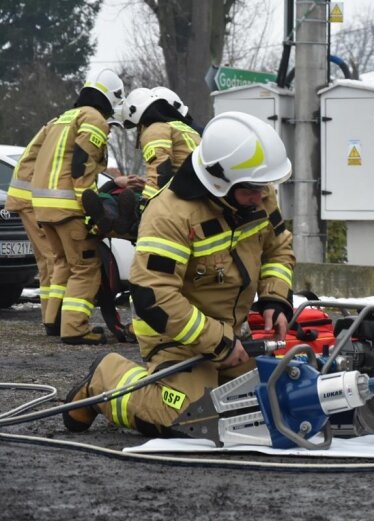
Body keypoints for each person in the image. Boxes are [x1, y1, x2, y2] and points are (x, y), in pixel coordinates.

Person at [62, 112, 295, 437]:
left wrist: (275, 298)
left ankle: (213, 369)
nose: (261, 196)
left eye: (263, 187)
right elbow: (156, 297)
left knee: (285, 393)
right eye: (251, 190)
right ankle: (105, 378)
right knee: (189, 417)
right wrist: (218, 342)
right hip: (174, 338)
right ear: (219, 182)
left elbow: (278, 248)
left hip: (228, 336)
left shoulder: (255, 193)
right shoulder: (170, 214)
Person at [30, 68, 125, 345]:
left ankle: (54, 321)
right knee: (85, 266)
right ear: (109, 98)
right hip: (67, 207)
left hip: (44, 208)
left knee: (63, 263)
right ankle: (74, 328)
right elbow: (81, 165)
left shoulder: (64, 117)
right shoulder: (93, 118)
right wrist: (93, 209)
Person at [82, 87, 201, 238]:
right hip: (196, 197)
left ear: (136, 113)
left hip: (178, 203)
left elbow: (160, 174)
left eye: (137, 127)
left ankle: (113, 219)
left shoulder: (155, 130)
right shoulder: (187, 130)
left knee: (120, 201)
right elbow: (175, 170)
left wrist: (144, 208)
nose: (139, 131)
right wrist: (145, 184)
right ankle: (116, 218)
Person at [5, 120, 57, 334]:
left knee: (47, 262)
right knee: (54, 259)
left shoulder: (57, 125)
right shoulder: (67, 127)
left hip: (27, 197)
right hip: (31, 198)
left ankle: (50, 316)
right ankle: (57, 319)